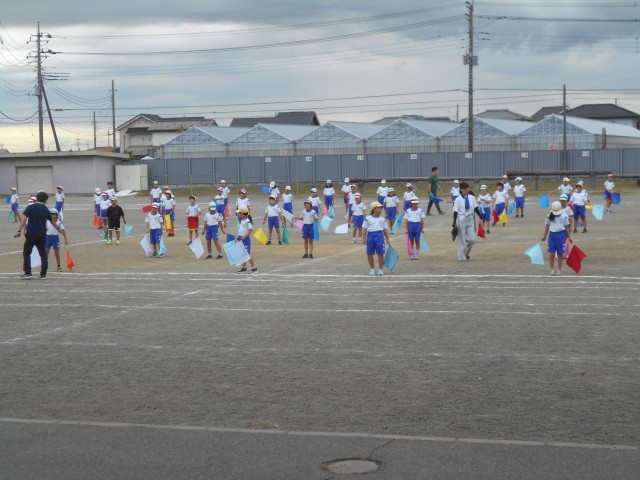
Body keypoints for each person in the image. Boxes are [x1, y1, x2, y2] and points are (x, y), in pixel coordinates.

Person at [14, 191, 62, 279]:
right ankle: (43, 274)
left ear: (37, 198)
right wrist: (58, 228)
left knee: (27, 252)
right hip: (42, 235)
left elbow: (24, 219)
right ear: (45, 200)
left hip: (31, 234)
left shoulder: (31, 207)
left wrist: (19, 231)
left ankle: (28, 273)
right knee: (43, 254)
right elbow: (52, 221)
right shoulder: (46, 209)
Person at [452, 182, 483, 262]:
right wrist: (454, 222)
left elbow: (475, 208)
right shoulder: (458, 200)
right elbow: (455, 211)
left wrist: (480, 216)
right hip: (461, 219)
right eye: (464, 189)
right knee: (462, 239)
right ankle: (461, 257)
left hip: (470, 218)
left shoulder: (472, 197)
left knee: (472, 239)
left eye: (466, 188)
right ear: (461, 190)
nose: (465, 190)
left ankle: (466, 253)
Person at [541, 201, 573, 276]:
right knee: (552, 253)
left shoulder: (564, 216)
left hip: (561, 235)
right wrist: (544, 236)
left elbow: (566, 227)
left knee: (560, 254)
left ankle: (559, 270)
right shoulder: (549, 216)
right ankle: (552, 270)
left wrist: (569, 237)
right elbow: (547, 226)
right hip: (552, 235)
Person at [363, 201, 390, 276]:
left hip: (379, 236)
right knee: (369, 254)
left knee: (380, 253)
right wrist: (363, 238)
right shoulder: (368, 218)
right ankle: (372, 269)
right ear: (374, 209)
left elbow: (385, 230)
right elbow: (364, 229)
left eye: (381, 208)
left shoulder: (382, 219)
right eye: (379, 208)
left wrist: (387, 239)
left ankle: (380, 269)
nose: (381, 209)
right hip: (370, 236)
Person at [236, 207, 258, 273]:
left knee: (247, 254)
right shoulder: (242, 220)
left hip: (245, 239)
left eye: (239, 213)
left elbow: (250, 230)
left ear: (242, 213)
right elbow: (242, 230)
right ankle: (244, 267)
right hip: (241, 238)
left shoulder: (247, 221)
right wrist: (239, 236)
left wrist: (245, 235)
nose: (238, 214)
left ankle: (254, 268)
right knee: (243, 253)